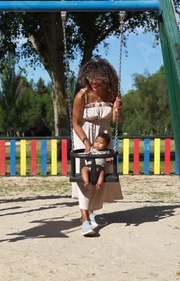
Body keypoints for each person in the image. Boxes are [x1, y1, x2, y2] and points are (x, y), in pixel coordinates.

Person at [71, 56, 123, 236]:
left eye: (99, 80)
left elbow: (117, 122)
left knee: (102, 172)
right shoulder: (81, 95)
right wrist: (86, 143)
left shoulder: (111, 92)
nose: (94, 83)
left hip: (104, 136)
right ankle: (84, 219)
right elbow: (75, 122)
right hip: (84, 135)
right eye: (91, 80)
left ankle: (91, 212)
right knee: (85, 173)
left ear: (106, 78)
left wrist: (117, 110)